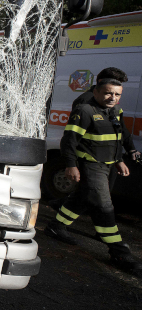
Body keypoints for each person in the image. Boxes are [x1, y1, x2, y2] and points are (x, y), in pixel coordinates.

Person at [45, 78, 142, 274]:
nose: (112, 98)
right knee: (104, 206)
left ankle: (56, 226)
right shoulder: (85, 111)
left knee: (82, 198)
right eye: (107, 93)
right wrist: (71, 166)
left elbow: (117, 138)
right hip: (90, 164)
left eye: (117, 94)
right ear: (96, 92)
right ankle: (119, 252)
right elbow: (69, 141)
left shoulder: (116, 111)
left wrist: (119, 160)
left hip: (106, 165)